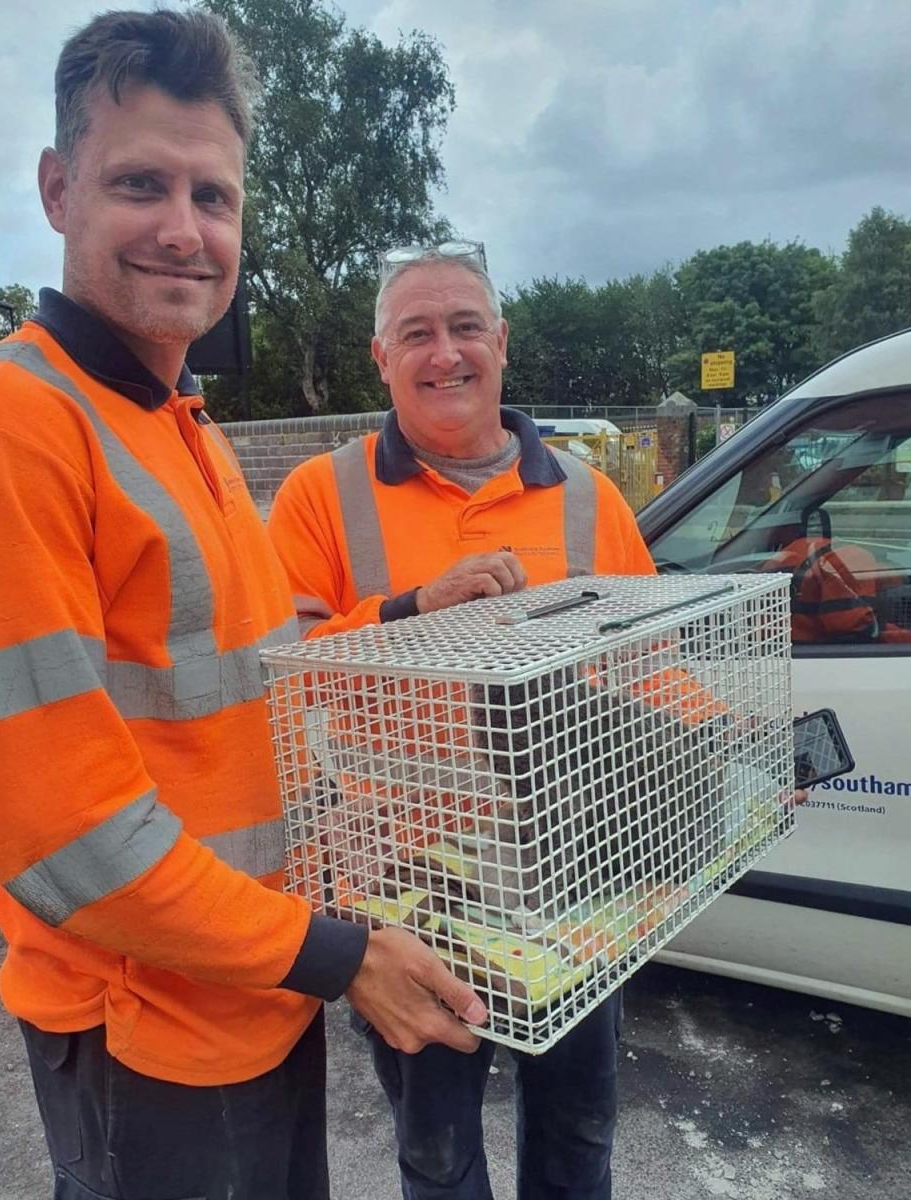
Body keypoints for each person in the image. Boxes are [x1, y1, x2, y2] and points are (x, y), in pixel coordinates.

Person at [0, 17, 485, 1200]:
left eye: (215, 194)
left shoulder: (173, 421)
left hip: (255, 999)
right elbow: (68, 839)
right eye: (140, 183)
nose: (185, 230)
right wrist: (344, 958)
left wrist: (403, 610)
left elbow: (259, 675)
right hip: (145, 1039)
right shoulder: (4, 425)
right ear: (54, 188)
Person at [268, 241, 656, 1200]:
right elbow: (274, 675)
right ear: (382, 358)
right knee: (437, 1154)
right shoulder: (326, 495)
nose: (445, 352)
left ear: (502, 342)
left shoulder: (587, 498)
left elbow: (652, 668)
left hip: (575, 871)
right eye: (418, 333)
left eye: (465, 326)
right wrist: (407, 614)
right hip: (405, 888)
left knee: (578, 1132)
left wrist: (738, 751)